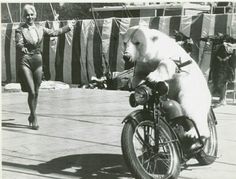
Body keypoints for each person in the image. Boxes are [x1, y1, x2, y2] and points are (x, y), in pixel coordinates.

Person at [15, 4, 75, 130]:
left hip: (37, 60)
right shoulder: (19, 30)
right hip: (25, 60)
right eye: (27, 15)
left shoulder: (40, 28)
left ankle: (32, 114)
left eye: (31, 14)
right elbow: (18, 42)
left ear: (35, 15)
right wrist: (22, 47)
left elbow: (55, 32)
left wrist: (68, 27)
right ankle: (34, 116)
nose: (29, 17)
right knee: (31, 90)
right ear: (24, 16)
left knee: (36, 91)